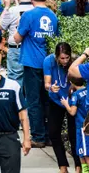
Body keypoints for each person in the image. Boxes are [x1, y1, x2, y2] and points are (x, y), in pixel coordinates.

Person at [14, 0, 58, 147]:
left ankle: (38, 137)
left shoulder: (28, 15)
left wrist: (18, 25)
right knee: (47, 101)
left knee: (33, 101)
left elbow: (17, 38)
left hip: (31, 62)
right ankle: (47, 135)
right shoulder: (53, 16)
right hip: (49, 63)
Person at [43, 42, 80, 172]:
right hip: (56, 99)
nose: (64, 61)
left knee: (73, 134)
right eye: (62, 58)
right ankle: (62, 166)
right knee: (53, 132)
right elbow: (46, 83)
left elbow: (80, 82)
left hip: (72, 101)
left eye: (67, 58)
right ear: (56, 56)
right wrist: (51, 87)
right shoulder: (49, 61)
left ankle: (78, 166)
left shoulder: (75, 61)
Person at [0, 0, 34, 87]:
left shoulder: (13, 10)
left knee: (15, 81)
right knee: (30, 80)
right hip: (32, 49)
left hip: (16, 48)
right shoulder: (35, 9)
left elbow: (1, 26)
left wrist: (7, 6)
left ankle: (18, 103)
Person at [61, 76, 89, 173]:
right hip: (86, 126)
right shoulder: (87, 91)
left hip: (82, 127)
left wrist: (65, 104)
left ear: (72, 82)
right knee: (81, 152)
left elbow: (72, 112)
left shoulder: (76, 95)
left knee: (85, 153)